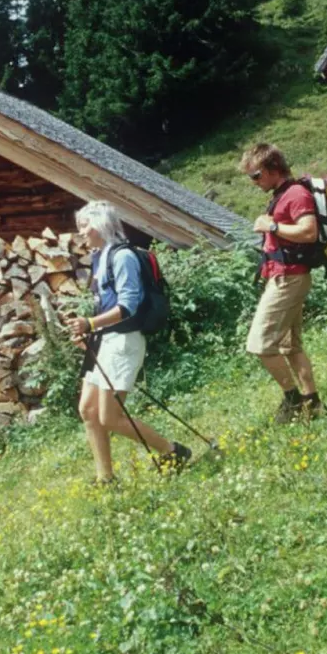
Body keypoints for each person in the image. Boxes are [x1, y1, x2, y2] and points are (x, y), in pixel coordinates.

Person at [67, 201, 191, 483]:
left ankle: (173, 451)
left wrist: (90, 324)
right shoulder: (99, 257)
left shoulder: (122, 257)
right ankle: (105, 479)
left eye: (84, 227)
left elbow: (129, 306)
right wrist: (90, 332)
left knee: (109, 417)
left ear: (99, 225)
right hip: (105, 340)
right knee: (88, 410)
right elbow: (105, 305)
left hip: (124, 342)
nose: (81, 234)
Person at [239, 144, 322, 423]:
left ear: (274, 168)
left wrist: (271, 226)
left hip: (290, 279)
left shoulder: (296, 194)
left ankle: (292, 399)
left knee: (260, 344)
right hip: (283, 276)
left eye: (256, 175)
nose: (254, 182)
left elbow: (309, 232)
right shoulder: (281, 195)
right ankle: (313, 403)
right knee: (290, 346)